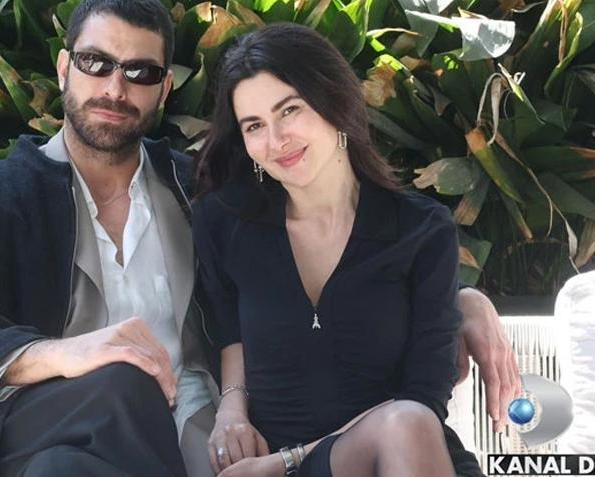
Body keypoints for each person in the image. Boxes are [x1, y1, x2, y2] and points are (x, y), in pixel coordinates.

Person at [0, 2, 518, 476]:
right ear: (63, 69)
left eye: (140, 72)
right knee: (113, 392)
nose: (114, 87)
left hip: (197, 448)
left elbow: (341, 256)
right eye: (96, 63)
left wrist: (461, 298)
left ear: (162, 89)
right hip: (36, 440)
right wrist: (65, 354)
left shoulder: (204, 196)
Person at [192, 24, 507, 477]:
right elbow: (231, 335)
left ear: (334, 102)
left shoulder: (421, 230)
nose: (276, 140)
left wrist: (284, 462)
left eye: (290, 110)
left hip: (399, 458)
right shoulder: (225, 222)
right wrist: (230, 413)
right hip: (278, 464)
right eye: (255, 126)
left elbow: (424, 398)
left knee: (407, 421)